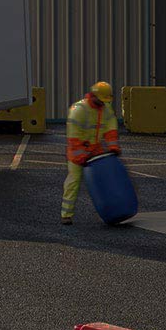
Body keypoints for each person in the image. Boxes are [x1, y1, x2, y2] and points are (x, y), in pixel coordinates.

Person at [61, 81, 121, 225]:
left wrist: (113, 146)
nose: (103, 103)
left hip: (96, 149)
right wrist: (81, 156)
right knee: (73, 181)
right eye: (101, 100)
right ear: (93, 96)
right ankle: (66, 214)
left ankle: (112, 213)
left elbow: (111, 128)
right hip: (78, 151)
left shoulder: (105, 108)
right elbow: (73, 137)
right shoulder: (79, 110)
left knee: (105, 182)